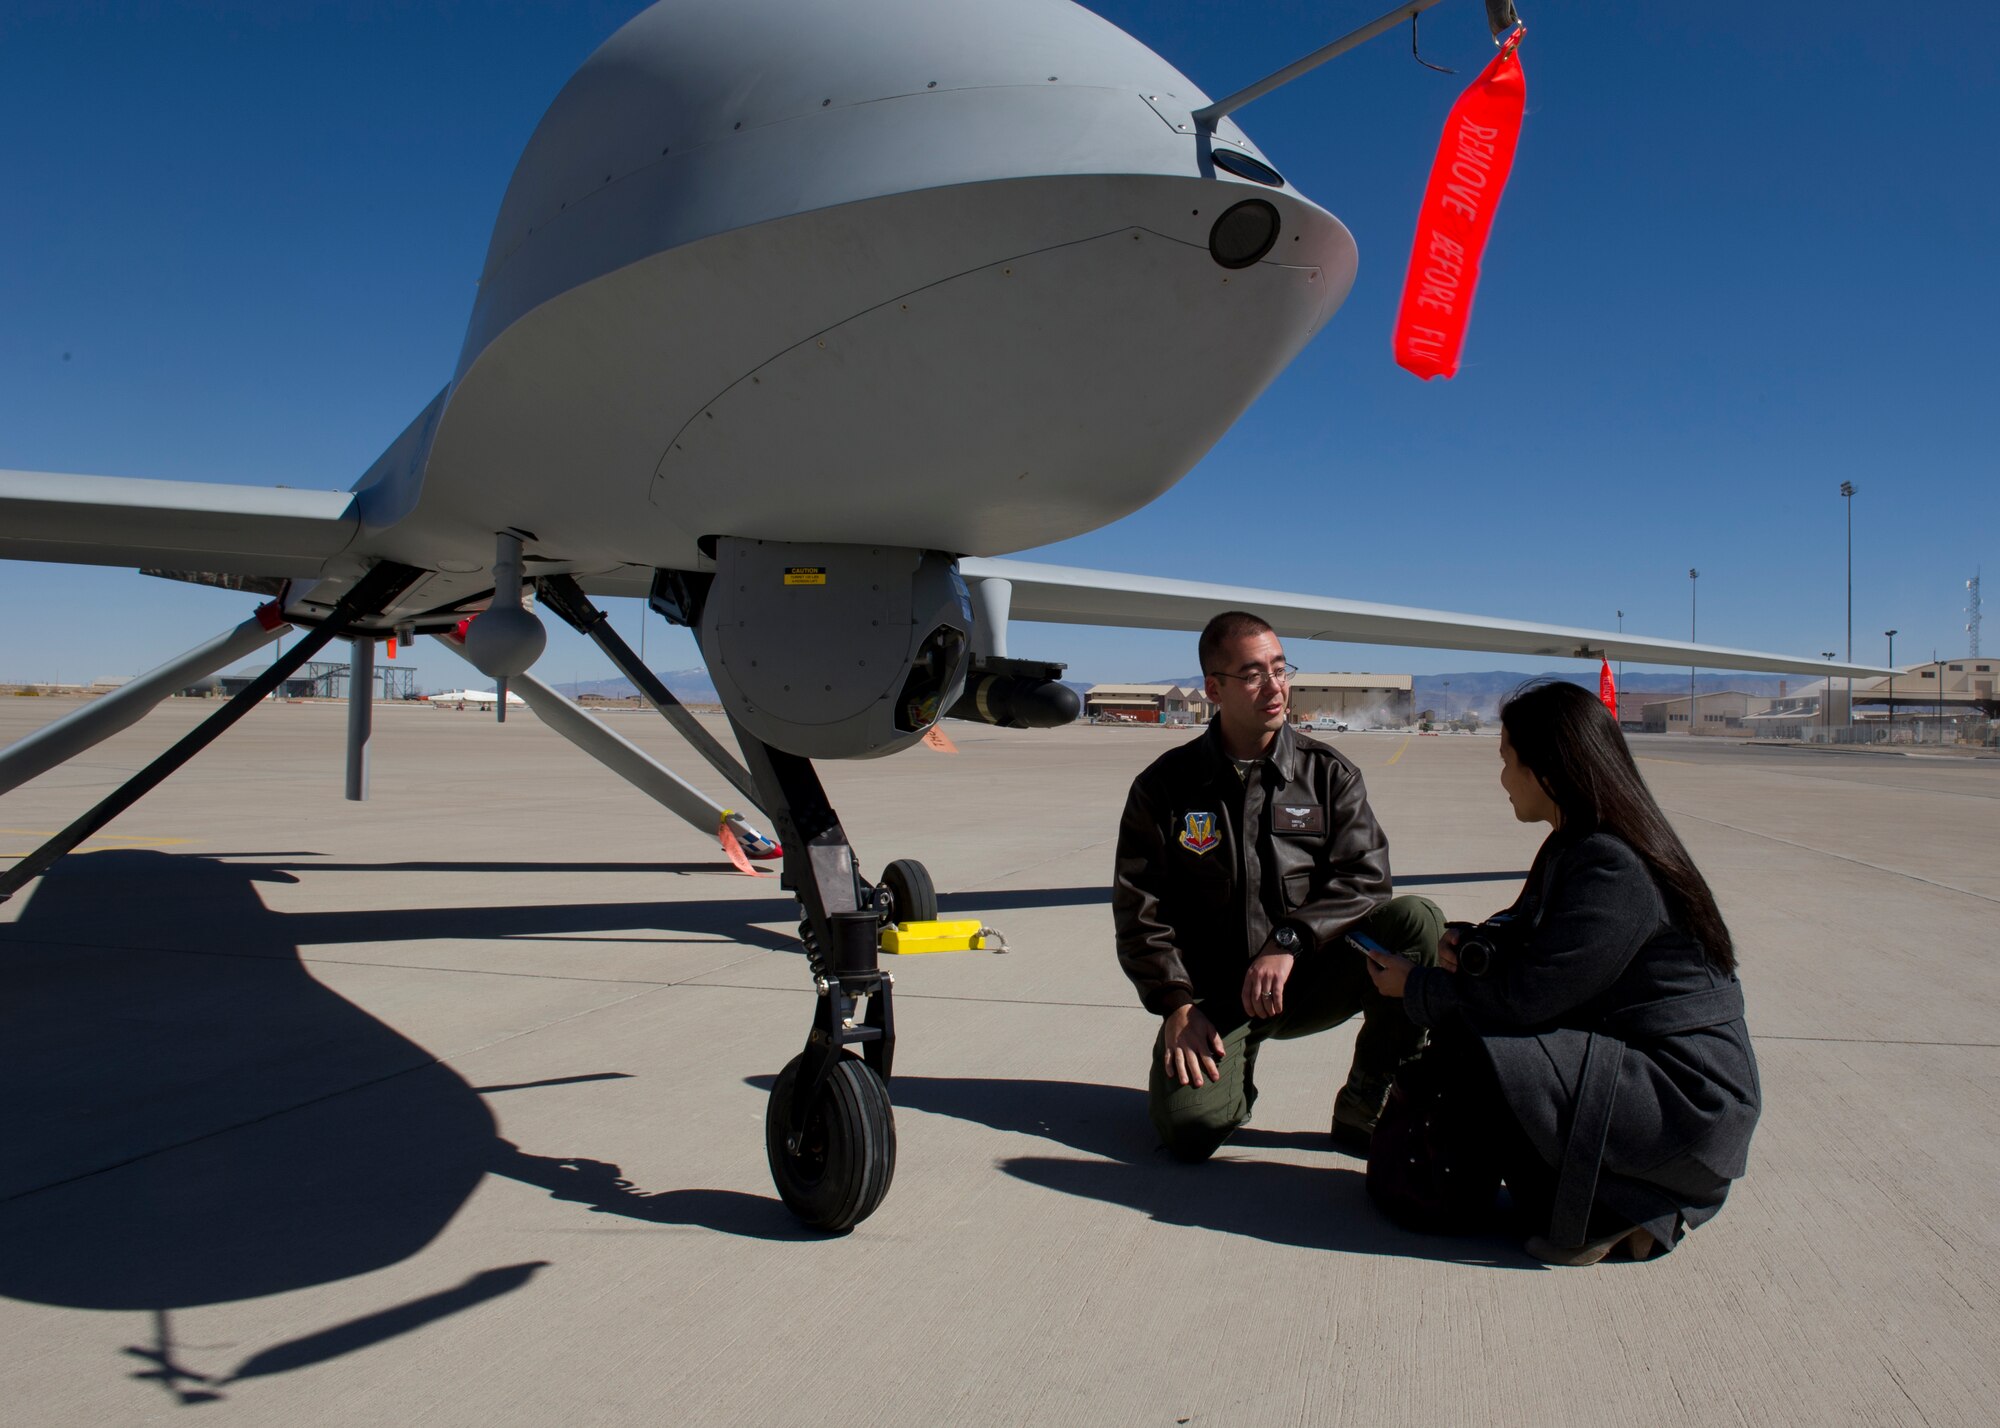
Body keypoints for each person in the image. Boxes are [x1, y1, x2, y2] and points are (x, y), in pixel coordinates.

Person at [1361, 680, 1761, 1264]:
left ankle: (1627, 1206)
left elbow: (1528, 999)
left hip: (1686, 1101)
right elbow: (1553, 955)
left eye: (1506, 761)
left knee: (1485, 1045)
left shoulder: (1611, 864)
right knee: (1487, 1050)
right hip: (1654, 1078)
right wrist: (1476, 945)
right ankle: (1605, 1200)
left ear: (1547, 770)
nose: (1501, 779)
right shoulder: (1581, 844)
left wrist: (1416, 986)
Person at [1113, 610, 1442, 1161]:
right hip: (1216, 995)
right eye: (1253, 674)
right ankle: (1230, 1072)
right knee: (1188, 1132)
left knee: (1416, 922)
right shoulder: (1164, 788)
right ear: (1214, 688)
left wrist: (1291, 941)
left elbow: (1366, 879)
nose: (1275, 686)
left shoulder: (1328, 776)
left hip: (1310, 974)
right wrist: (1175, 1004)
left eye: (1281, 669)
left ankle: (1369, 1098)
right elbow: (1139, 911)